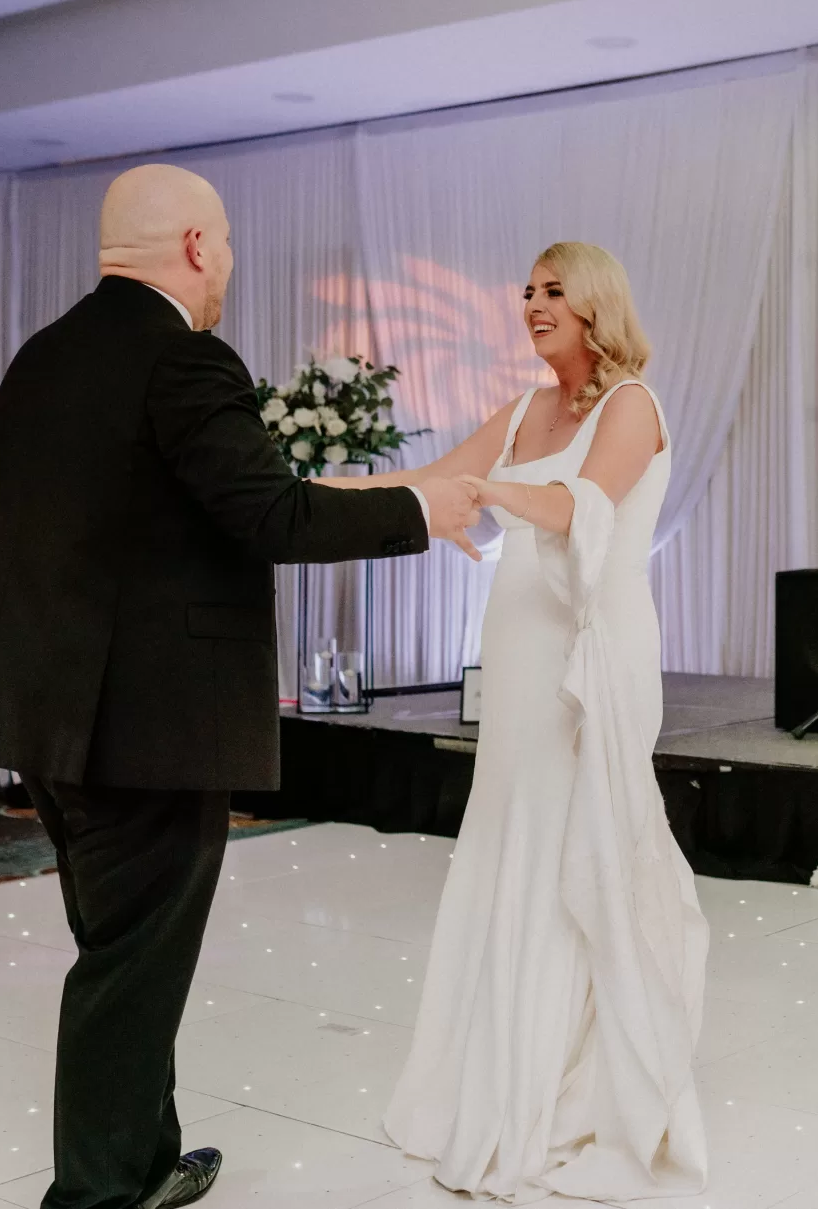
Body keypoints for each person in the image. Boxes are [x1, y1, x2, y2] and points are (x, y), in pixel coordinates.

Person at [0, 163, 482, 1209]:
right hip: (146, 721)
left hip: (45, 715)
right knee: (129, 963)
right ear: (193, 246)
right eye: (224, 243)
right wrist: (422, 505)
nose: (229, 261)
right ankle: (93, 1195)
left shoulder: (40, 359)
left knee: (123, 947)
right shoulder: (182, 362)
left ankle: (143, 1161)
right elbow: (271, 515)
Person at [328, 242, 706, 1200]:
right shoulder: (522, 410)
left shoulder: (631, 406)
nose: (533, 304)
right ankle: (502, 1063)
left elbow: (582, 505)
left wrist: (488, 493)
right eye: (527, 292)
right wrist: (307, 491)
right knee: (512, 838)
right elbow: (426, 481)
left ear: (594, 303)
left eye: (552, 291)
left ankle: (580, 1079)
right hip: (521, 657)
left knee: (577, 845)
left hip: (592, 659)